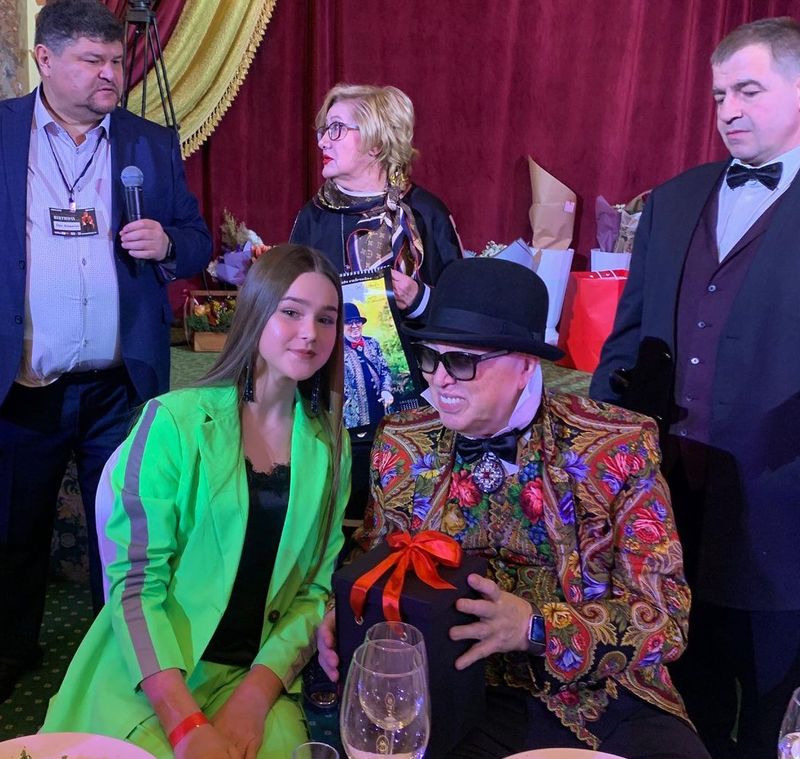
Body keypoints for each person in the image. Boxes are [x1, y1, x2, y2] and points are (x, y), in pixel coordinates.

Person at [318, 257, 710, 759]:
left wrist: (535, 627)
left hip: (607, 695)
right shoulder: (402, 442)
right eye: (430, 357)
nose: (439, 380)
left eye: (463, 361)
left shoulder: (617, 445)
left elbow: (665, 618)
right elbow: (372, 562)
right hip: (450, 690)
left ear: (525, 365)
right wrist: (342, 615)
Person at [42, 244, 351, 759]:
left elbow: (314, 591)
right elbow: (135, 588)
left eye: (326, 319)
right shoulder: (172, 423)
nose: (310, 333)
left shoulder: (330, 443)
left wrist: (255, 696)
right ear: (256, 312)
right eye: (292, 312)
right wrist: (186, 726)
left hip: (253, 677)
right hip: (153, 674)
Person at [590, 17, 800, 759]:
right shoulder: (675, 200)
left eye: (748, 91)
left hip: (781, 519)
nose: (728, 111)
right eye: (718, 96)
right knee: (675, 709)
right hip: (665, 508)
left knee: (774, 716)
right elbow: (625, 342)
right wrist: (597, 468)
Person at [0, 0, 211, 703]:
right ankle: (12, 651)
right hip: (24, 386)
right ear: (45, 59)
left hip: (120, 387)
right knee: (13, 530)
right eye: (92, 61)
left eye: (117, 61)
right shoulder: (3, 134)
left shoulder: (150, 143)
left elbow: (197, 238)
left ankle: (119, 657)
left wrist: (169, 243)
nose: (110, 75)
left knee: (121, 535)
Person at [290, 82, 462, 521]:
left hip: (415, 402)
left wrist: (419, 299)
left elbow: (462, 314)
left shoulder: (424, 213)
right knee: (334, 515)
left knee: (405, 516)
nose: (322, 142)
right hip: (329, 397)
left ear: (377, 143)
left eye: (336, 129)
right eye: (322, 130)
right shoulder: (312, 216)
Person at [343, 302, 394, 428]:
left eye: (357, 322)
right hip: (356, 419)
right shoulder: (336, 352)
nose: (354, 326)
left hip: (381, 409)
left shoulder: (373, 343)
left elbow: (385, 370)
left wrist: (386, 390)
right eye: (349, 322)